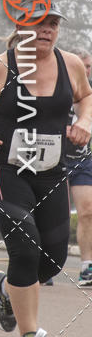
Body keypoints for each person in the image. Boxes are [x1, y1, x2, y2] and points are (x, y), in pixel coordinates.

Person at [0, 3, 92, 337]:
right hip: (7, 172)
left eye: (53, 24)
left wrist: (85, 121)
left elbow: (86, 97)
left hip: (52, 172)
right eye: (40, 23)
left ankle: (6, 288)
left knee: (54, 260)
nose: (48, 30)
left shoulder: (70, 65)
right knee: (26, 251)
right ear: (21, 27)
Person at [65, 48, 92, 286]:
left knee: (88, 211)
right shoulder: (55, 88)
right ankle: (44, 266)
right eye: (82, 66)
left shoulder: (89, 95)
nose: (86, 70)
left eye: (89, 66)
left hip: (83, 160)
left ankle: (87, 268)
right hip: (55, 160)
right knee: (56, 215)